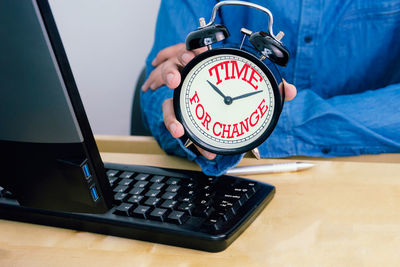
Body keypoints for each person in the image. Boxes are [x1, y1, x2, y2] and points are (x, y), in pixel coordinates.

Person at [140, 0, 400, 176]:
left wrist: (257, 123)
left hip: (364, 174)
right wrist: (177, 93)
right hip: (230, 179)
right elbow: (159, 82)